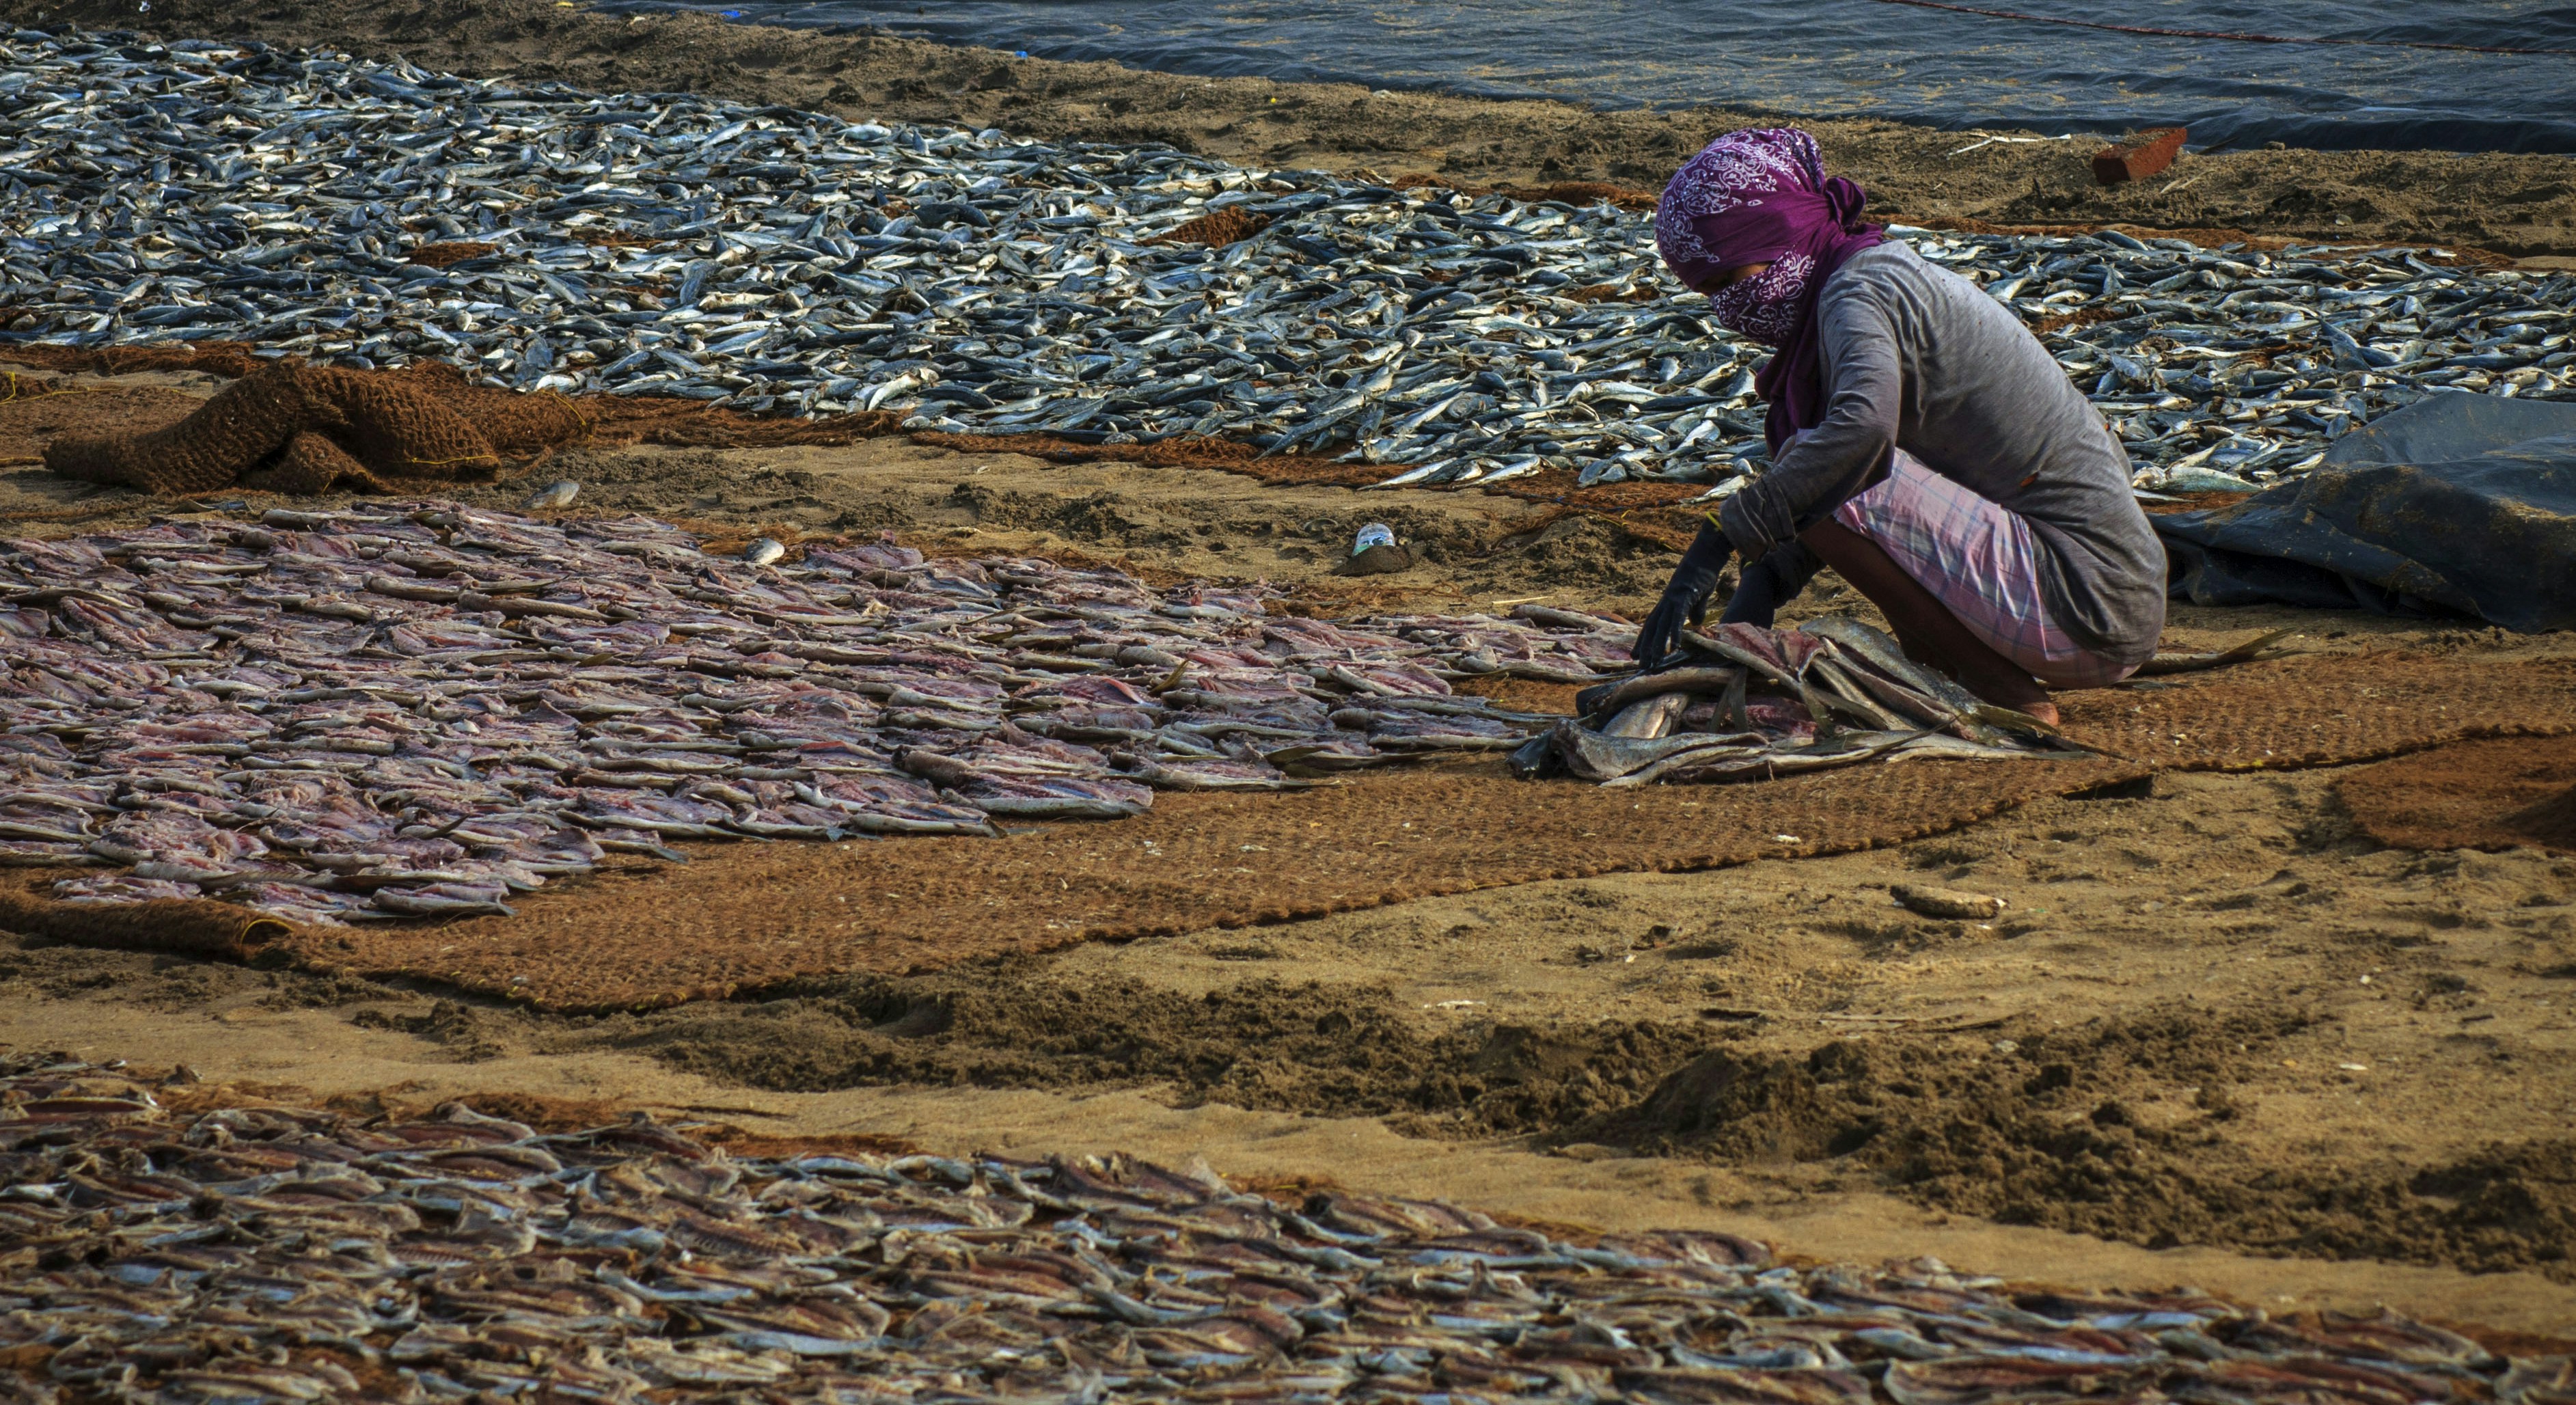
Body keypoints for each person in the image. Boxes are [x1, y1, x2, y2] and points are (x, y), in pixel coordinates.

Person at [1632, 128, 2166, 725]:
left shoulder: (1857, 294)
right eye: (1709, 295)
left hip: (2087, 608)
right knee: (1814, 468)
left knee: (1817, 458)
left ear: (1777, 234)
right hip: (2100, 601)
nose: (1729, 310)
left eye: (1729, 282)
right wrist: (1765, 584)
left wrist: (1717, 539)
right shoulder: (1876, 273)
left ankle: (2001, 688)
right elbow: (1859, 474)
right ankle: (1948, 658)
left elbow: (1859, 443)